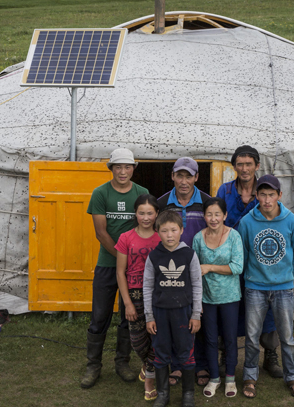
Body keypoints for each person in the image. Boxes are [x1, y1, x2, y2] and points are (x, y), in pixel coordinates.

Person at [81, 148, 151, 389]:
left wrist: (133, 262)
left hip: (135, 269)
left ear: (133, 168)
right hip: (107, 264)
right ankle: (93, 365)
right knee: (100, 316)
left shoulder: (141, 193)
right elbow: (101, 232)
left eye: (127, 167)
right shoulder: (101, 193)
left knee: (128, 316)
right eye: (118, 167)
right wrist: (124, 258)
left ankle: (122, 362)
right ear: (111, 168)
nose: (123, 171)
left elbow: (147, 224)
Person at [236, 174, 294, 399]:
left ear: (279, 195)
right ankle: (249, 376)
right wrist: (252, 277)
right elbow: (243, 253)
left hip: (283, 288)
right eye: (263, 194)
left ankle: (292, 376)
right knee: (251, 336)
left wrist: (285, 276)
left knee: (287, 337)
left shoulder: (292, 221)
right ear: (256, 195)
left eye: (271, 195)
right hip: (255, 287)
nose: (267, 200)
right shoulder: (247, 222)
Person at [217, 145, 283, 379]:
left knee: (267, 309)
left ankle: (270, 355)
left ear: (257, 165)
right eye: (240, 164)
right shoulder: (225, 191)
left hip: (260, 263)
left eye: (248, 164)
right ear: (234, 166)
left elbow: (279, 222)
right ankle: (226, 355)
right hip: (231, 263)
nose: (244, 168)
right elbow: (217, 220)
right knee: (228, 307)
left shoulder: (266, 191)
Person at [156, 156, 212, 385]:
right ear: (173, 176)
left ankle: (201, 364)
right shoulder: (162, 203)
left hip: (200, 271)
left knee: (199, 318)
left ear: (196, 177)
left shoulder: (207, 202)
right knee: (175, 319)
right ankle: (178, 365)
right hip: (171, 271)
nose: (184, 181)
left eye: (188, 176)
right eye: (179, 175)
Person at [144, 209, 203, 407]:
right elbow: (147, 287)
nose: (169, 235)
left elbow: (197, 285)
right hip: (159, 313)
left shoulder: (189, 255)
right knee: (161, 352)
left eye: (173, 230)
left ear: (181, 230)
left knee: (186, 352)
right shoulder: (154, 257)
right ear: (157, 232)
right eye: (164, 231)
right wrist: (149, 316)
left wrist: (196, 314)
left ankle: (188, 394)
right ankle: (163, 394)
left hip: (183, 313)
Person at [191, 197, 244, 398]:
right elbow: (194, 269)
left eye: (217, 214)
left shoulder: (234, 236)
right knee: (210, 339)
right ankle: (214, 377)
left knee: (230, 339)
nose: (213, 219)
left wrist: (210, 267)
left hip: (230, 297)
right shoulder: (198, 238)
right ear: (204, 216)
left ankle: (230, 378)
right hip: (207, 297)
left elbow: (237, 267)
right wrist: (196, 299)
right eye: (209, 214)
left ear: (225, 215)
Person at [116, 194, 163, 400]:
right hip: (134, 294)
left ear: (157, 214)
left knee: (157, 336)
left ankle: (150, 379)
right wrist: (127, 303)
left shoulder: (162, 238)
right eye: (141, 213)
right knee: (137, 341)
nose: (145, 217)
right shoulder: (126, 238)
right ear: (135, 213)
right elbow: (120, 272)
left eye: (150, 213)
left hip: (158, 294)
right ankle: (147, 364)